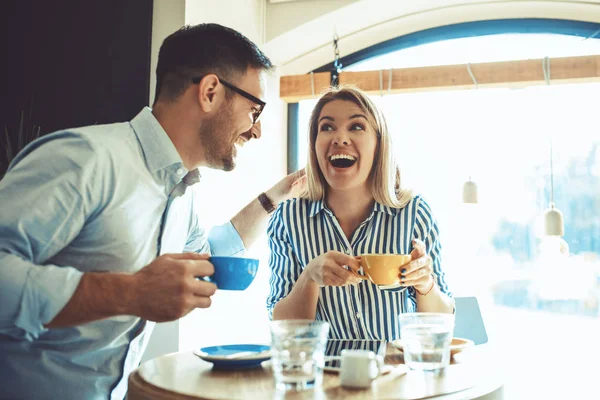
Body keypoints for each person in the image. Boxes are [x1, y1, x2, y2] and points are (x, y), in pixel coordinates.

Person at [0, 24, 304, 399]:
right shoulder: (85, 161)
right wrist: (129, 293)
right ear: (210, 92)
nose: (255, 131)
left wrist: (274, 197)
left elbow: (208, 260)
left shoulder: (180, 192)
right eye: (254, 110)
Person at [267, 86, 454, 340]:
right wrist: (309, 278)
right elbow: (282, 328)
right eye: (327, 127)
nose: (340, 138)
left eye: (356, 127)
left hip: (394, 373)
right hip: (323, 374)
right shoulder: (288, 219)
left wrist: (425, 285)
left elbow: (443, 320)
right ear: (314, 145)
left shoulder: (414, 212)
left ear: (379, 145)